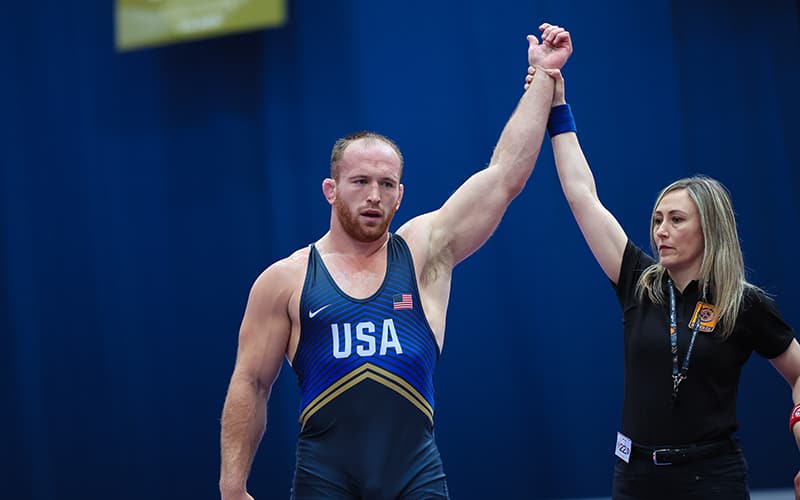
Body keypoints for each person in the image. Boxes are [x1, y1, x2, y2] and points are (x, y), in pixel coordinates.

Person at [218, 23, 573, 500]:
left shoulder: (424, 251)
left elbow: (505, 175)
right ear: (331, 190)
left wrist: (543, 77)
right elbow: (251, 383)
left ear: (400, 194)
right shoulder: (286, 280)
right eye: (360, 182)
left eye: (386, 185)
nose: (373, 196)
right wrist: (232, 486)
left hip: (415, 478)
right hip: (325, 481)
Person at [524, 31, 800, 499]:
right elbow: (581, 196)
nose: (661, 231)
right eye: (656, 219)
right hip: (636, 479)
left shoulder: (742, 303)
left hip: (711, 479)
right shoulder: (639, 282)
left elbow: (798, 373)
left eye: (676, 220)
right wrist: (556, 103)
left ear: (709, 229)